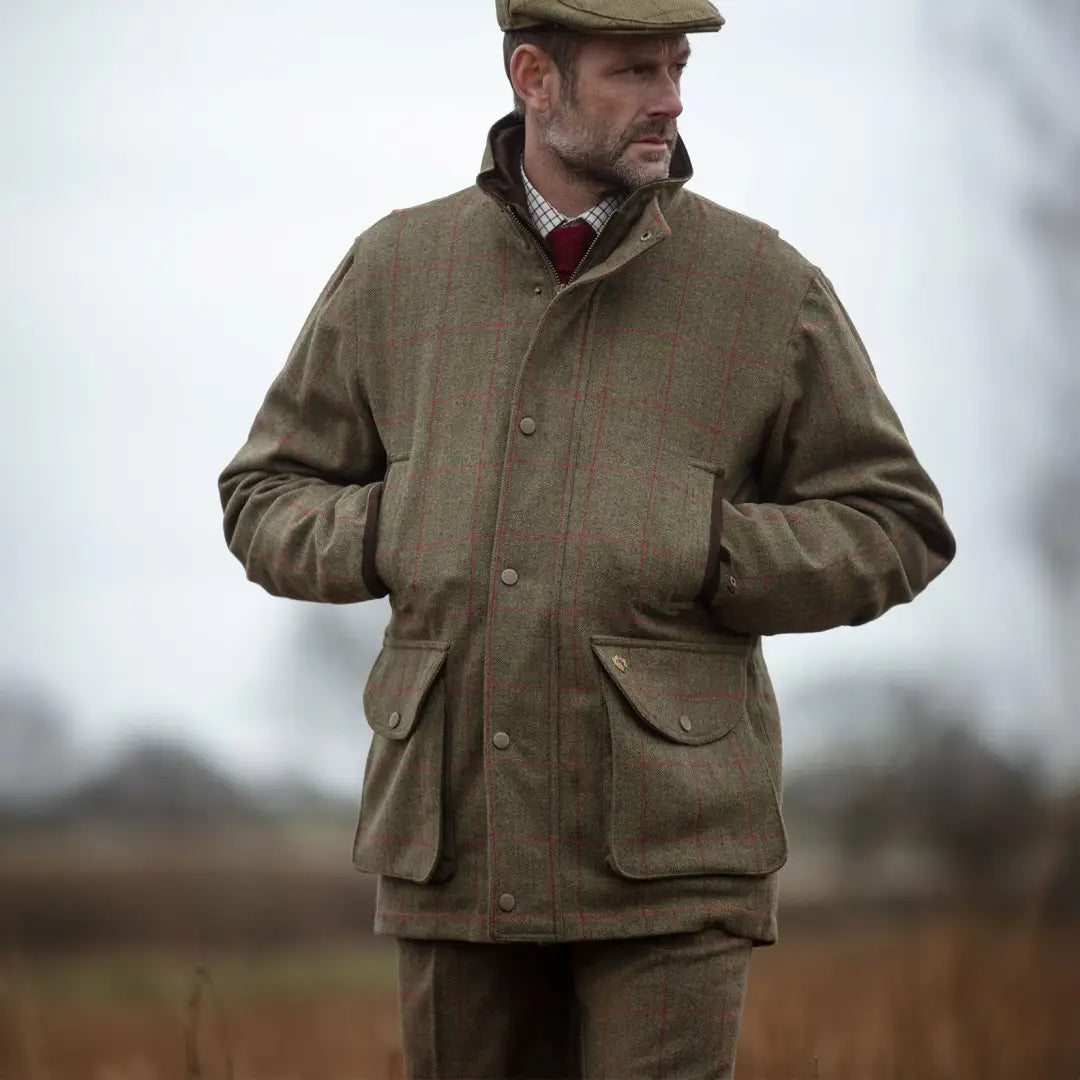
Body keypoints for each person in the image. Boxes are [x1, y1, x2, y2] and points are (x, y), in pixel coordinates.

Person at [218, 1, 956, 1075]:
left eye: (678, 67)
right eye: (633, 72)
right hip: (454, 849)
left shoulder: (763, 287)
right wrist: (383, 528)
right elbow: (264, 494)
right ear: (535, 76)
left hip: (673, 853)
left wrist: (711, 551)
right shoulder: (395, 271)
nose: (671, 99)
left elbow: (896, 523)